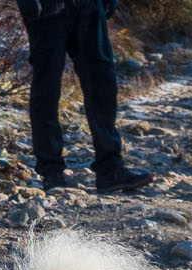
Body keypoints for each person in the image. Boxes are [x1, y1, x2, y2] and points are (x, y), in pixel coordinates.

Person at [16, 0, 152, 195]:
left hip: (89, 7)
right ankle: (51, 171)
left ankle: (110, 168)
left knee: (103, 83)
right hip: (47, 9)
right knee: (47, 87)